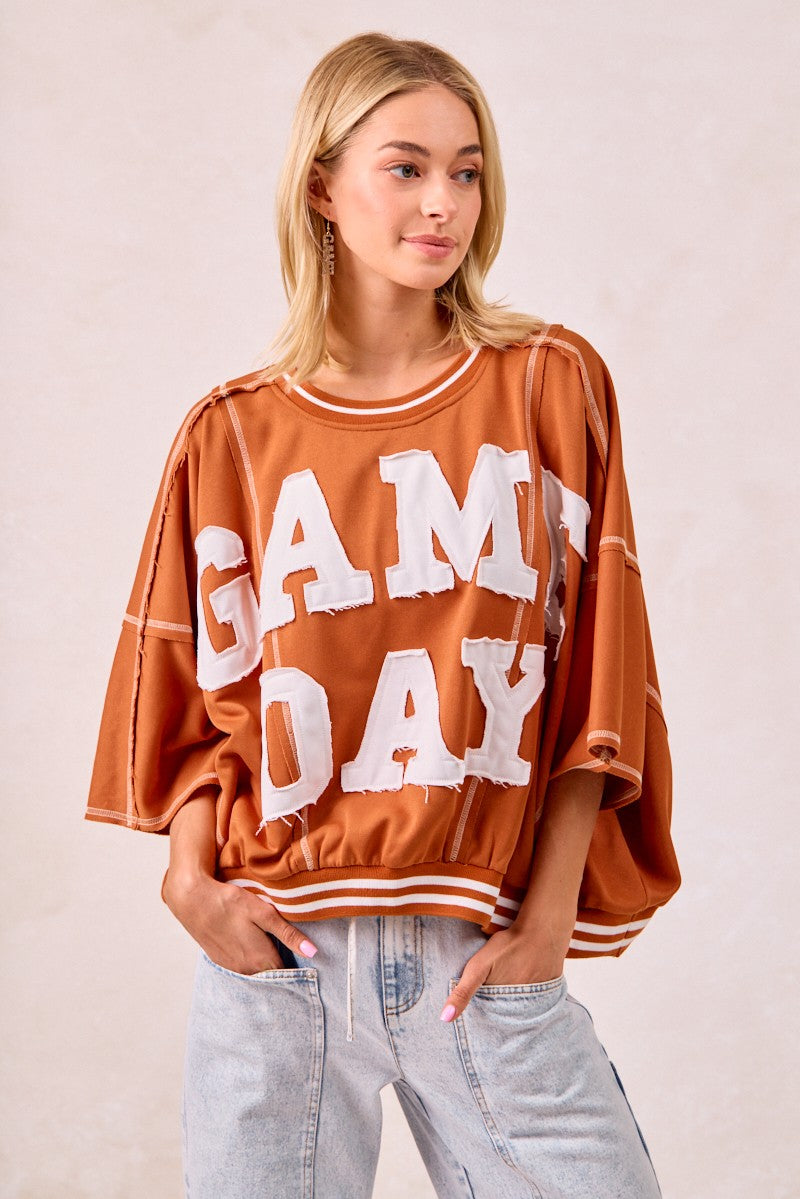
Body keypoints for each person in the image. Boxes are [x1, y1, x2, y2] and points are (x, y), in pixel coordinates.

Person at [86, 31, 680, 1199]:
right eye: (404, 167)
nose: (441, 202)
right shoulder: (230, 432)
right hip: (277, 958)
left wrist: (542, 925)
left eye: (465, 171)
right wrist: (192, 883)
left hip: (482, 947)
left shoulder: (547, 383)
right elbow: (204, 705)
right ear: (321, 186)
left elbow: (595, 675)